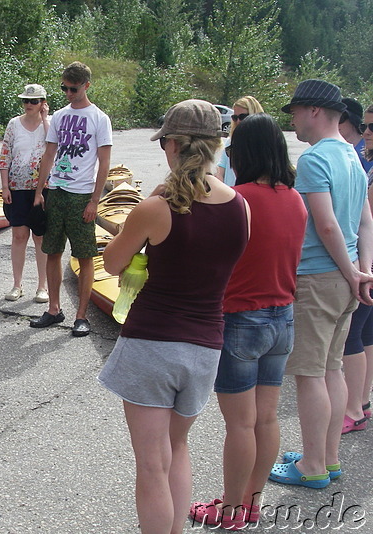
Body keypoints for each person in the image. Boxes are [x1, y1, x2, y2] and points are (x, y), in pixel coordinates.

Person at [97, 99, 249, 534]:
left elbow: (110, 263)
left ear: (176, 144)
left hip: (152, 342)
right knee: (177, 448)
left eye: (164, 141)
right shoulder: (240, 206)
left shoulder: (156, 207)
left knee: (150, 465)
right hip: (206, 346)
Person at [189, 114, 307, 530]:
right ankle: (252, 504)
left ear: (245, 153)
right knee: (267, 418)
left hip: (241, 318)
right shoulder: (295, 199)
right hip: (283, 318)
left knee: (239, 423)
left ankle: (230, 510)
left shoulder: (238, 200)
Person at [269, 80, 373, 491]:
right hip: (347, 279)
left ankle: (311, 465)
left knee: (309, 375)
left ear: (314, 111)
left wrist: (351, 272)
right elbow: (364, 221)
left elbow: (326, 224)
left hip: (318, 278)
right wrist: (362, 271)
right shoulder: (352, 154)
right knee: (332, 369)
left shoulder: (314, 160)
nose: (291, 118)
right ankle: (327, 458)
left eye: (294, 110)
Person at [30, 61, 113, 337]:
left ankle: (81, 316)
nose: (67, 93)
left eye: (72, 88)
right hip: (56, 192)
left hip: (81, 196)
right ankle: (54, 310)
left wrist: (94, 201)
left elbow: (104, 164)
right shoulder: (60, 117)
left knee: (85, 255)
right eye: (63, 87)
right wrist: (40, 190)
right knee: (52, 251)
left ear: (86, 86)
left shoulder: (99, 118)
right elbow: (49, 155)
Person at [0, 84, 50, 304]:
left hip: (43, 188)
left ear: (42, 103)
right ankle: (17, 284)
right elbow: (5, 156)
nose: (29, 105)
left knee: (40, 237)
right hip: (17, 187)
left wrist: (46, 119)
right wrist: (5, 187)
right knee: (19, 236)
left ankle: (42, 286)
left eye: (34, 101)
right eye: (26, 101)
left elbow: (54, 146)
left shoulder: (50, 123)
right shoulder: (13, 124)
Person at [341, 102, 373, 433]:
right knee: (366, 333)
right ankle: (361, 402)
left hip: (367, 260)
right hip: (369, 259)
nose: (366, 132)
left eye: (372, 128)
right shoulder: (365, 163)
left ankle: (353, 409)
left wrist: (361, 268)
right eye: (365, 125)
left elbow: (366, 218)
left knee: (353, 334)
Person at [215, 95, 264, 186]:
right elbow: (220, 170)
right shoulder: (230, 142)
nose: (238, 121)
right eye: (235, 118)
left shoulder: (264, 143)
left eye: (242, 117)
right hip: (231, 195)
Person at [339, 97, 373, 174]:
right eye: (364, 127)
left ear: (353, 120)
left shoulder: (366, 155)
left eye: (340, 118)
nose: (366, 132)